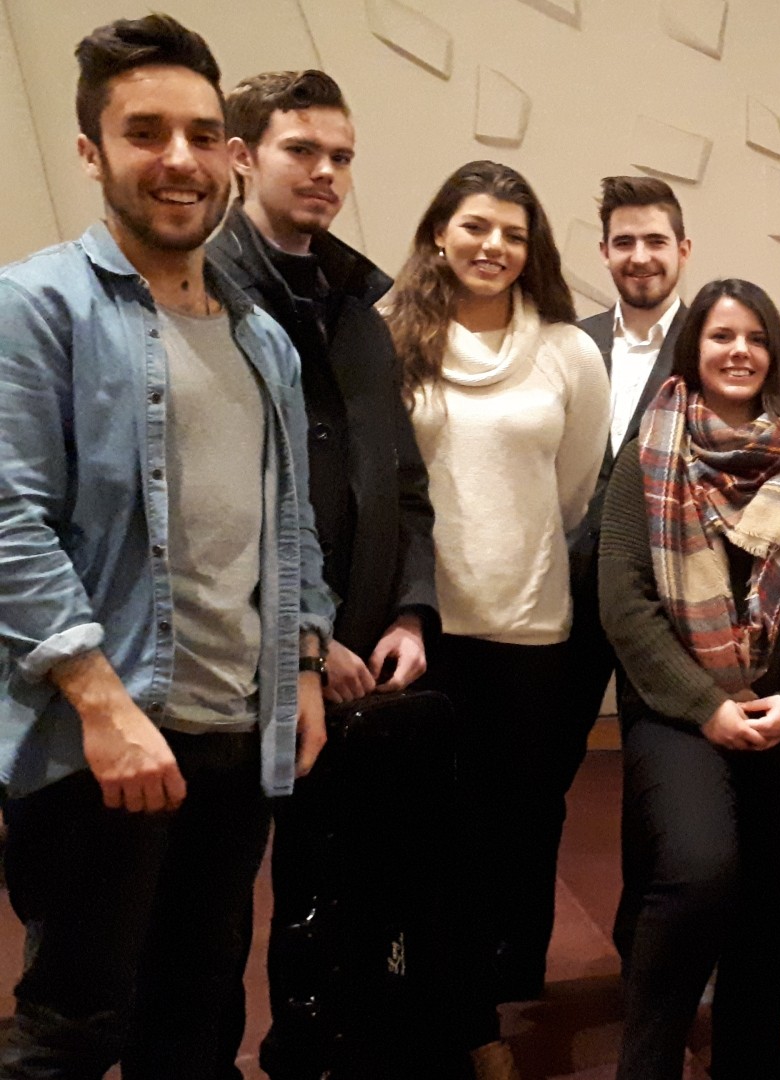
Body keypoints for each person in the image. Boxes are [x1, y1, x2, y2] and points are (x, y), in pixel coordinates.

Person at [0, 15, 332, 1076]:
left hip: (235, 735)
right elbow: (7, 521)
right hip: (103, 739)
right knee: (71, 1029)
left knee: (195, 1023)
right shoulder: (36, 307)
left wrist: (305, 665)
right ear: (91, 152)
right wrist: (102, 706)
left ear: (230, 155)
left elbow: (289, 524)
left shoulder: (260, 337)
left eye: (198, 134)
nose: (178, 159)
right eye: (145, 133)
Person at [208, 67, 441, 1079]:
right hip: (240, 656)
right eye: (301, 150)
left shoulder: (359, 306)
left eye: (341, 155)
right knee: (212, 905)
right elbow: (219, 503)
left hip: (365, 654)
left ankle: (313, 1054)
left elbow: (403, 479)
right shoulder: (209, 292)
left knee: (341, 884)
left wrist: (411, 613)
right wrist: (306, 639)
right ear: (242, 156)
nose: (326, 172)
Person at [599, 278, 780, 1080]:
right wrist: (705, 706)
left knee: (766, 904)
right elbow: (625, 601)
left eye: (754, 337)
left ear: (774, 353)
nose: (739, 351)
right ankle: (649, 1061)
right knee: (698, 872)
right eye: (722, 336)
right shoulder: (648, 457)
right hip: (677, 713)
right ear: (695, 350)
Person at [384, 160, 610, 1062]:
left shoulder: (567, 352)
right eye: (477, 226)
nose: (494, 246)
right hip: (421, 629)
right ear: (440, 232)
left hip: (527, 632)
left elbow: (574, 490)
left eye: (514, 234)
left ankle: (475, 1022)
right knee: (420, 836)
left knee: (499, 838)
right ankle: (440, 1025)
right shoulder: (391, 336)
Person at [572, 175, 693, 964]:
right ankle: (515, 954)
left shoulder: (713, 343)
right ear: (605, 252)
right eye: (625, 242)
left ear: (683, 249)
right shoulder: (572, 342)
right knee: (542, 775)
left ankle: (644, 949)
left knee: (656, 784)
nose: (640, 256)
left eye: (655, 241)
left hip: (668, 602)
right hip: (569, 596)